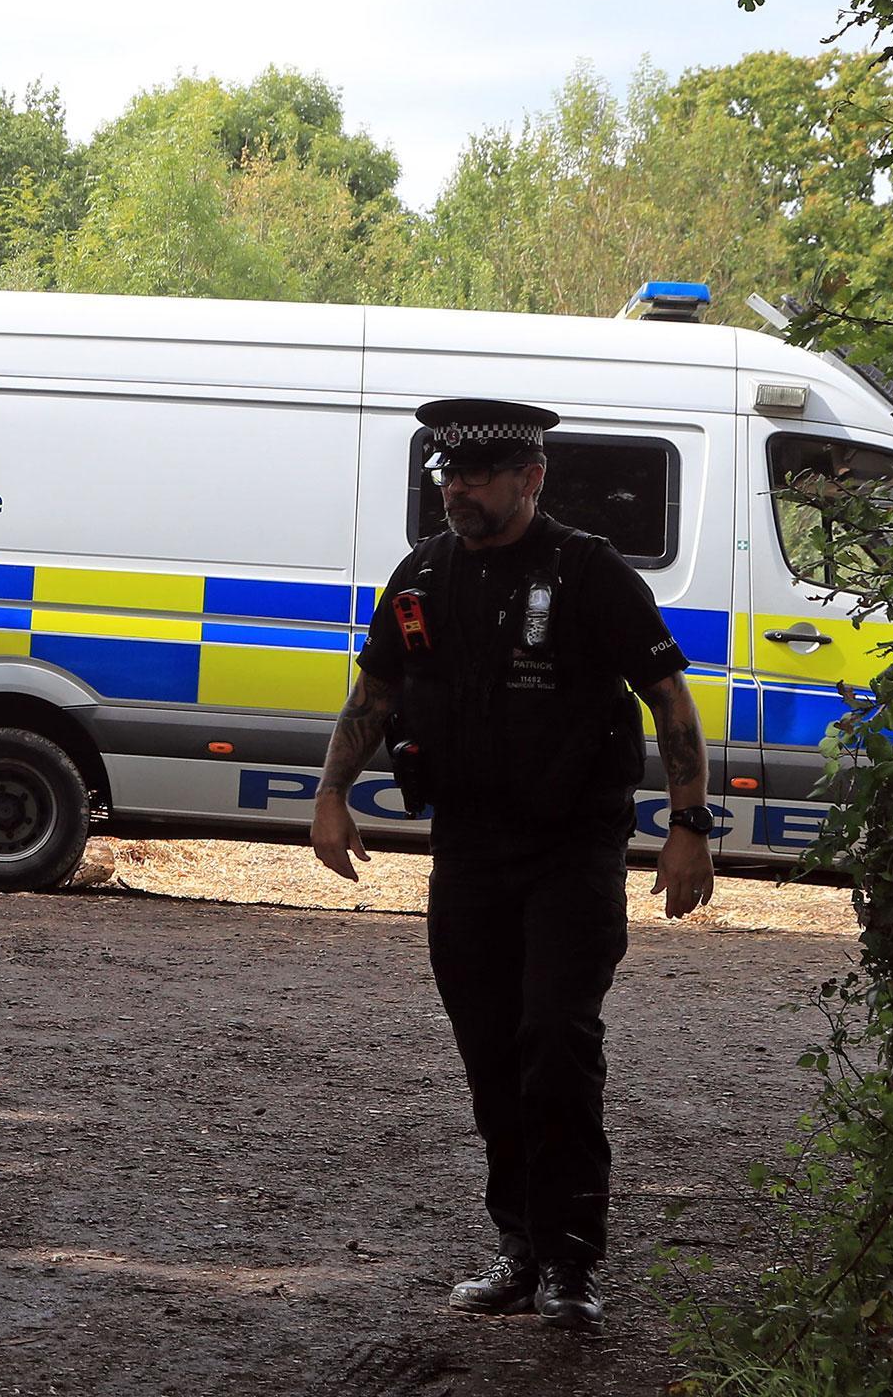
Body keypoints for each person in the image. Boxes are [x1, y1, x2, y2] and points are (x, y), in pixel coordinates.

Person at [310, 397, 715, 1334]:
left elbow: (668, 698)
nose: (458, 492)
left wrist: (689, 823)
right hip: (471, 851)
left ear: (531, 479)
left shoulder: (589, 572)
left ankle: (572, 1264)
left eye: (478, 477)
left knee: (554, 1043)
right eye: (448, 477)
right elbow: (377, 689)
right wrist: (331, 793)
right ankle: (520, 1247)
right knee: (491, 1051)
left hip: (572, 851)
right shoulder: (422, 577)